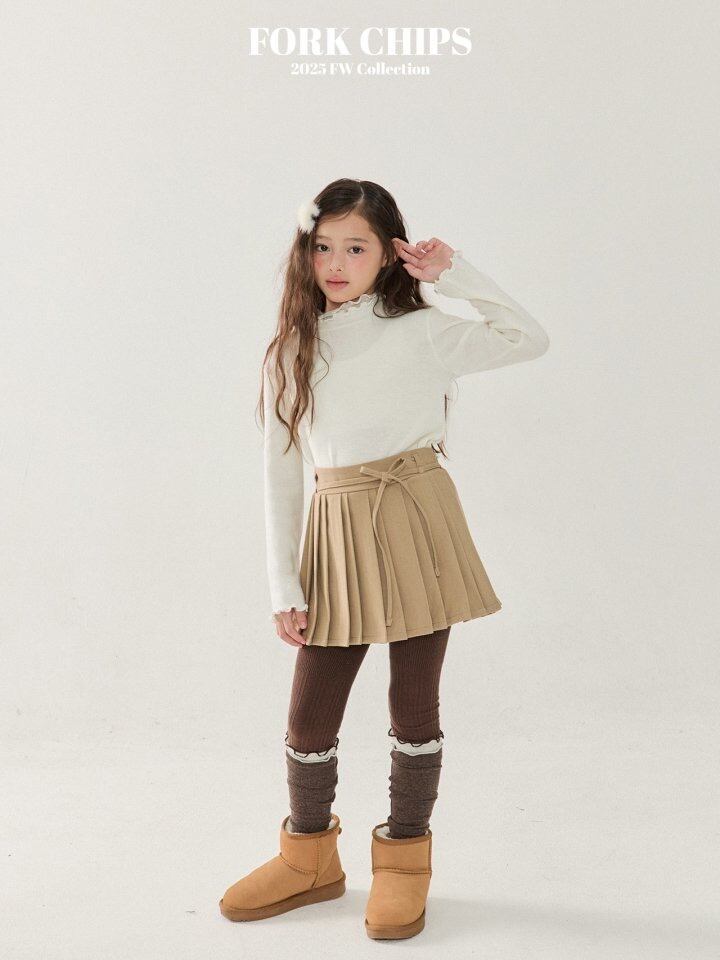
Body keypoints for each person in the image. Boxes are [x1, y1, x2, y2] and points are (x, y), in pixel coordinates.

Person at [219, 178, 550, 939]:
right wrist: (282, 583)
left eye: (356, 247)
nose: (336, 264)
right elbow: (279, 472)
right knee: (311, 709)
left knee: (414, 697)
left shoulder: (424, 331)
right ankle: (308, 858)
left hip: (417, 517)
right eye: (323, 247)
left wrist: (454, 273)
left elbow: (527, 338)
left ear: (389, 255)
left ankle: (404, 861)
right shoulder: (292, 349)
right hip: (335, 529)